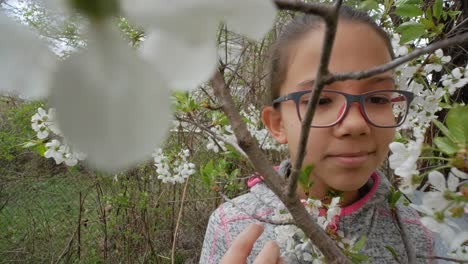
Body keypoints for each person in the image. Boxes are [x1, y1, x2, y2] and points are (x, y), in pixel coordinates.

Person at [200, 6, 434, 264]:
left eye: (378, 98)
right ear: (277, 124)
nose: (355, 124)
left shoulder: (420, 227)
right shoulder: (233, 224)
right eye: (320, 101)